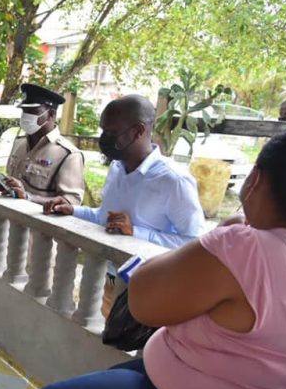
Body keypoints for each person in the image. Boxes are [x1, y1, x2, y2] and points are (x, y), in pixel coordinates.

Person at [28, 129, 286, 389]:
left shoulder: (247, 247)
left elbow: (143, 302)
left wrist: (223, 234)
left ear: (255, 180)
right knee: (106, 381)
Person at [44, 95, 205, 316]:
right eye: (102, 131)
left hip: (149, 288)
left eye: (111, 133)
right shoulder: (117, 168)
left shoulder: (173, 181)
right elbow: (106, 218)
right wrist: (72, 210)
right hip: (109, 279)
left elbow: (195, 246)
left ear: (138, 131)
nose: (103, 139)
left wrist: (136, 232)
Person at [0, 83, 85, 207]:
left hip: (37, 224)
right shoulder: (19, 143)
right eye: (24, 111)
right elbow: (12, 187)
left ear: (51, 115)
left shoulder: (68, 155)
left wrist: (29, 197)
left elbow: (71, 202)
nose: (26, 116)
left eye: (33, 111)